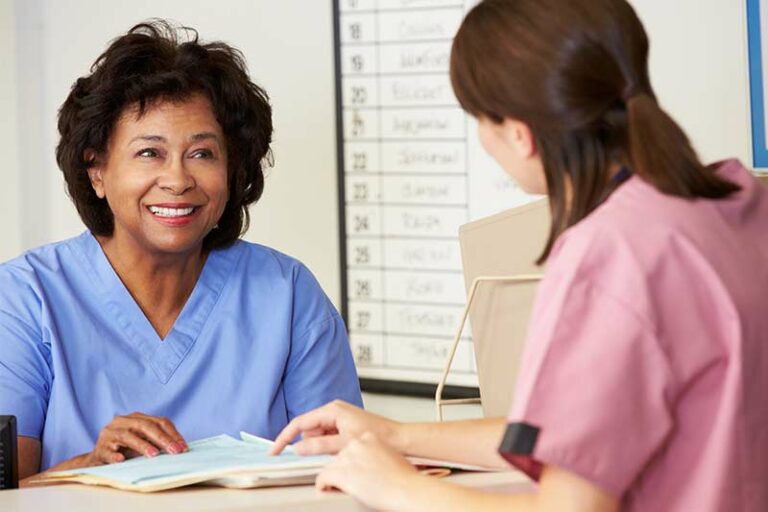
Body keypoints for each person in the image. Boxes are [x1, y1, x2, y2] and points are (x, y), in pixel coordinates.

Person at [270, 1, 768, 510]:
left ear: (518, 133)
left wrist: (398, 486)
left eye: (478, 119)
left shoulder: (609, 253)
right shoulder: (738, 199)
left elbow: (568, 506)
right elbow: (572, 437)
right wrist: (396, 436)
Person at [0, 20, 362, 483]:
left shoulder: (288, 293)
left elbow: (350, 469)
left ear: (232, 171)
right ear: (97, 170)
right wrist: (92, 469)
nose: (177, 180)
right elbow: (6, 491)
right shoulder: (25, 297)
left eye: (203, 154)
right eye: (150, 153)